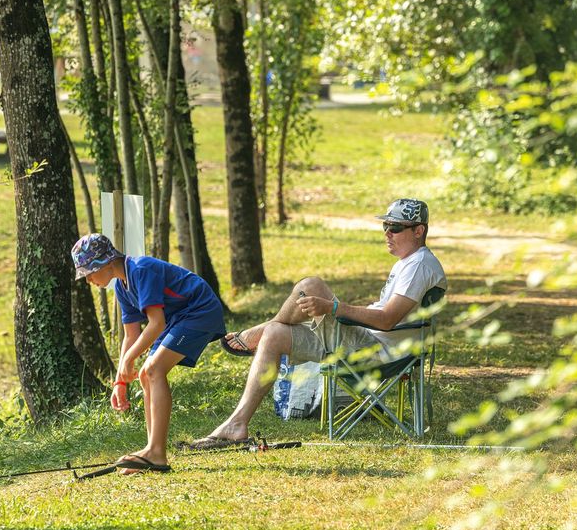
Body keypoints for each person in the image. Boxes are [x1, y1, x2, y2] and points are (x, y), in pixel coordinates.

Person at [184, 198, 448, 449]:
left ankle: (257, 332)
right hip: (370, 342)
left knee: (311, 286)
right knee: (275, 334)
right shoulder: (409, 263)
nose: (387, 233)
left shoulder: (419, 265)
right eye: (385, 225)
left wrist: (333, 308)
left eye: (396, 227)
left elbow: (387, 320)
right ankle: (237, 424)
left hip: (379, 352)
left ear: (418, 231)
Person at [71, 233, 226, 473]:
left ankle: (156, 453)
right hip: (178, 319)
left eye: (90, 272)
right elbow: (130, 335)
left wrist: (130, 359)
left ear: (105, 262)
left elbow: (156, 324)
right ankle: (151, 450)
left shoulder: (141, 270)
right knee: (145, 375)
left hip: (199, 311)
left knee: (154, 369)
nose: (89, 279)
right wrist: (119, 382)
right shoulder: (122, 287)